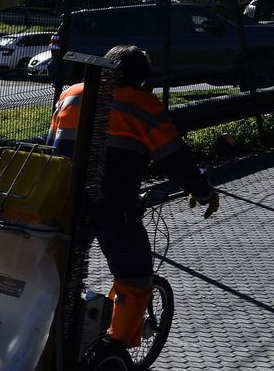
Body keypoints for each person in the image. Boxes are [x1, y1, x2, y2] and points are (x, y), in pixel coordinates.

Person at [48, 45, 219, 346]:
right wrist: (201, 191)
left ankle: (59, 335)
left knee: (61, 272)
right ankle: (116, 353)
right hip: (113, 206)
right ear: (142, 79)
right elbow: (175, 158)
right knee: (136, 276)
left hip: (62, 201)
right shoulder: (143, 105)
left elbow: (52, 146)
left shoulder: (70, 94)